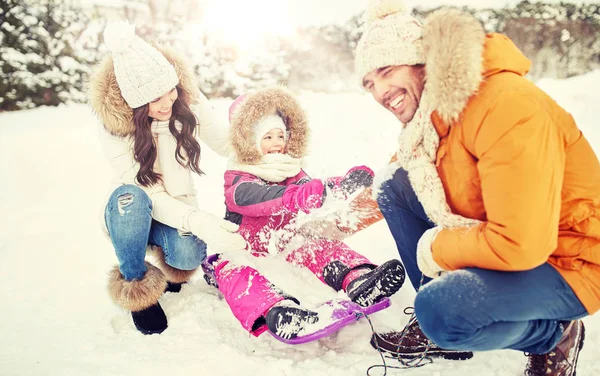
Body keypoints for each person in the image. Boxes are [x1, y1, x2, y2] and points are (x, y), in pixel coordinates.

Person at [353, 0, 600, 374]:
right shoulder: (433, 117)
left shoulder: (505, 105)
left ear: (422, 62)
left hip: (570, 260)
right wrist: (332, 223)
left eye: (387, 71)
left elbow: (521, 244)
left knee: (443, 310)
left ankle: (556, 333)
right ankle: (442, 317)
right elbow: (397, 175)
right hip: (516, 241)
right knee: (394, 184)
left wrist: (437, 248)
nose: (380, 92)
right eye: (369, 83)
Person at [205, 87, 407, 339]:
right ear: (250, 142)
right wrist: (298, 197)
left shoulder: (290, 169)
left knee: (319, 246)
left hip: (283, 244)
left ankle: (359, 279)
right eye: (267, 137)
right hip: (243, 248)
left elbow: (311, 190)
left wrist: (340, 185)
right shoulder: (237, 178)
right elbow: (258, 199)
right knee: (236, 273)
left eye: (280, 135)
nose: (277, 143)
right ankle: (280, 312)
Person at [88, 22, 247, 335]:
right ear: (135, 102)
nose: (167, 102)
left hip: (176, 206)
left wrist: (264, 139)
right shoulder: (114, 129)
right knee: (132, 199)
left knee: (189, 256)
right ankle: (137, 286)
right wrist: (200, 221)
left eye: (169, 90)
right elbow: (150, 192)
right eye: (153, 98)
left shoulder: (186, 102)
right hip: (131, 211)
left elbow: (226, 143)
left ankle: (168, 264)